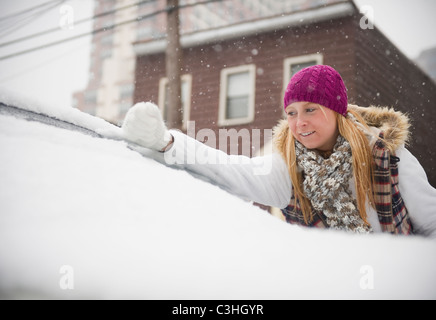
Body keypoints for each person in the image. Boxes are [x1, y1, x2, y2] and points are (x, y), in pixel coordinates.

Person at [121, 64, 436, 237]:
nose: (299, 123)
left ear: (338, 111)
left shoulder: (388, 158)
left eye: (311, 109)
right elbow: (231, 170)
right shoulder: (288, 168)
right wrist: (167, 143)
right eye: (292, 113)